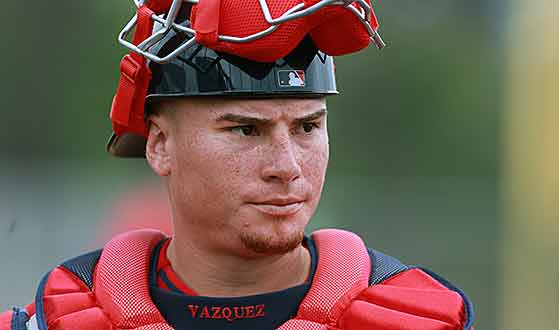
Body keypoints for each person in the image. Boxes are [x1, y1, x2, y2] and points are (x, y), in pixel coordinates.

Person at [1, 1, 475, 329]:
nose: (287, 166)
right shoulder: (54, 321)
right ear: (160, 144)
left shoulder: (417, 319)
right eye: (246, 130)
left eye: (308, 127)